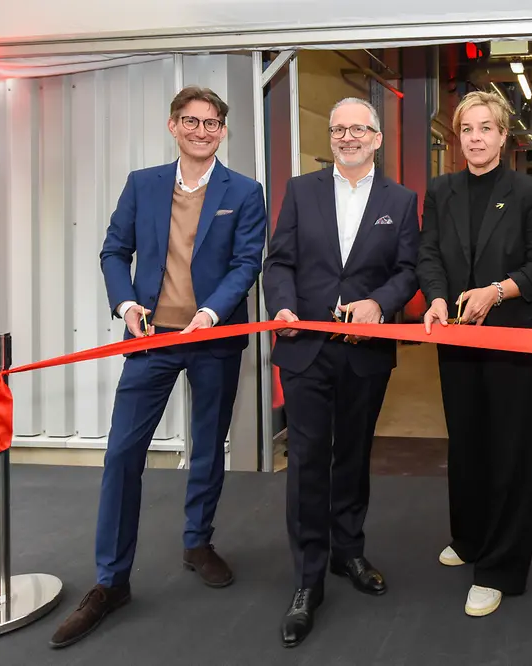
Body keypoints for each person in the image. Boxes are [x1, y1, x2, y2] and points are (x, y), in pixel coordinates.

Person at [50, 87, 267, 648]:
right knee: (123, 453)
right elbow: (113, 250)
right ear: (173, 126)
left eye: (212, 123)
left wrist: (212, 312)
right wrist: (125, 304)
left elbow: (247, 262)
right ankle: (111, 581)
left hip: (214, 338)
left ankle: (198, 542)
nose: (201, 131)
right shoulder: (142, 184)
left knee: (208, 445)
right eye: (191, 121)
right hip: (150, 341)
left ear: (223, 131)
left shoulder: (245, 192)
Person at [262, 97, 420, 648]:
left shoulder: (400, 200)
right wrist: (283, 307)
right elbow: (279, 261)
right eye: (338, 130)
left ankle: (348, 551)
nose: (347, 137)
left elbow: (408, 270)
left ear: (378, 137)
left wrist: (380, 303)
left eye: (358, 129)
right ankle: (308, 578)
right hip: (305, 348)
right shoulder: (300, 191)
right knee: (307, 461)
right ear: (329, 137)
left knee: (353, 453)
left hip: (364, 351)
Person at [416, 90, 532, 617]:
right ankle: (471, 537)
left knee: (509, 451)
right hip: (457, 340)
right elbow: (428, 254)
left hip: (514, 342)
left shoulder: (529, 193)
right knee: (467, 442)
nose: (475, 138)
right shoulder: (441, 190)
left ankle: (500, 567)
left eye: (485, 128)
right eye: (466, 130)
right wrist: (436, 298)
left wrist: (497, 291)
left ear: (503, 135)